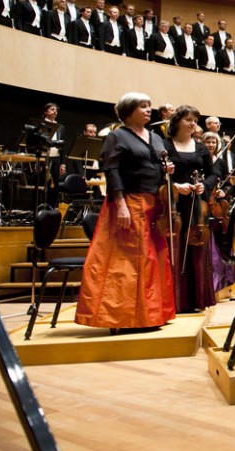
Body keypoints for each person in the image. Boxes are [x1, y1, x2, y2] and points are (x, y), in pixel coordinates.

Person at [75, 92, 176, 332]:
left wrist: (167, 170)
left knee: (153, 258)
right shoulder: (116, 136)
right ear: (129, 111)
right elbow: (112, 170)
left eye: (149, 106)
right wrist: (119, 204)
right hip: (130, 201)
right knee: (132, 260)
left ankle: (151, 314)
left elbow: (158, 166)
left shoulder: (155, 137)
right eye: (143, 106)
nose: (149, 110)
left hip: (154, 203)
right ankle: (125, 317)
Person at [164, 105, 218, 312]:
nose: (193, 123)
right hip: (175, 203)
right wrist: (175, 185)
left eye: (195, 119)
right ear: (177, 121)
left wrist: (205, 186)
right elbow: (159, 172)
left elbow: (212, 174)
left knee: (196, 248)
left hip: (196, 205)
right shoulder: (166, 144)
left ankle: (196, 299)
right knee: (175, 248)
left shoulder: (201, 148)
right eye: (188, 119)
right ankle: (175, 300)